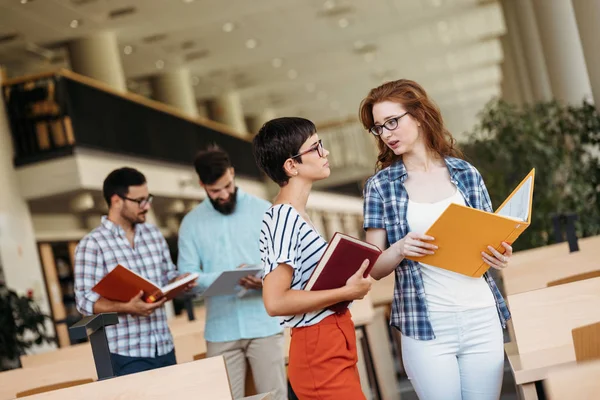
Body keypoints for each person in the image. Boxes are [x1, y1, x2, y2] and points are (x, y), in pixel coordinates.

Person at [359, 79, 512, 400]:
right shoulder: (380, 186)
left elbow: (491, 236)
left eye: (392, 122)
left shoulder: (466, 173)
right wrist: (400, 248)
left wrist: (500, 251)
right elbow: (372, 267)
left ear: (418, 116)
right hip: (425, 327)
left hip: (481, 316)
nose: (386, 133)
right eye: (378, 128)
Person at [253, 117, 372, 400]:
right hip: (318, 346)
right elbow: (275, 301)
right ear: (291, 166)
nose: (325, 152)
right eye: (315, 147)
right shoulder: (282, 217)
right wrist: (346, 291)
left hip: (330, 338)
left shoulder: (297, 215)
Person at [177, 146, 287, 400]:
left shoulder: (263, 210)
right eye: (216, 190)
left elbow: (281, 264)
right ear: (202, 184)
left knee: (275, 396)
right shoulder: (191, 223)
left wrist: (263, 280)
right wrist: (224, 277)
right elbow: (187, 277)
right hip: (220, 330)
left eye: (228, 185)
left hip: (264, 324)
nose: (225, 194)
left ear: (232, 173)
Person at [74, 167, 195, 376]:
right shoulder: (92, 244)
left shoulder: (153, 234)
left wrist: (178, 281)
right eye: (139, 201)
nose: (146, 206)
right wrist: (126, 307)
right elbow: (84, 301)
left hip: (164, 345)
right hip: (127, 354)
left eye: (148, 199)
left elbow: (166, 274)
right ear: (116, 200)